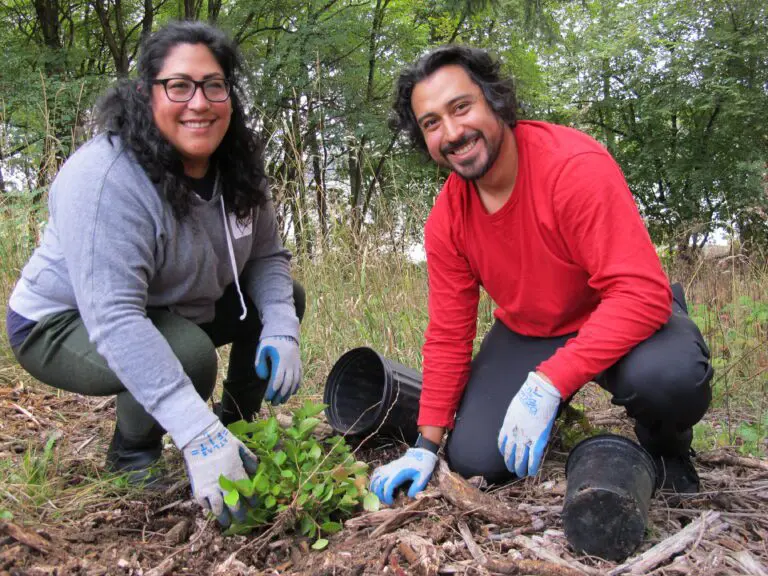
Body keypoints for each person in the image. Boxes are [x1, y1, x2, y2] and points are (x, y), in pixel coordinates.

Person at [369, 46, 713, 506]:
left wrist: (549, 383)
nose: (452, 132)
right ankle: (542, 422)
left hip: (618, 318)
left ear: (495, 101)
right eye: (431, 123)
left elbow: (639, 291)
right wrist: (425, 447)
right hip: (531, 330)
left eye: (461, 107)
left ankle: (667, 447)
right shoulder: (447, 219)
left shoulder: (573, 168)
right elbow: (449, 334)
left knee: (670, 378)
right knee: (475, 460)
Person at [5, 21, 303, 527]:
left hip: (173, 305)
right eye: (179, 86)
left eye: (214, 85)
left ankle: (239, 433)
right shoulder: (105, 179)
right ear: (147, 94)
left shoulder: (237, 166)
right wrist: (194, 430)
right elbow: (115, 317)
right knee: (189, 355)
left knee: (284, 298)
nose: (199, 102)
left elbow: (267, 258)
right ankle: (132, 453)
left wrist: (280, 323)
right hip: (62, 322)